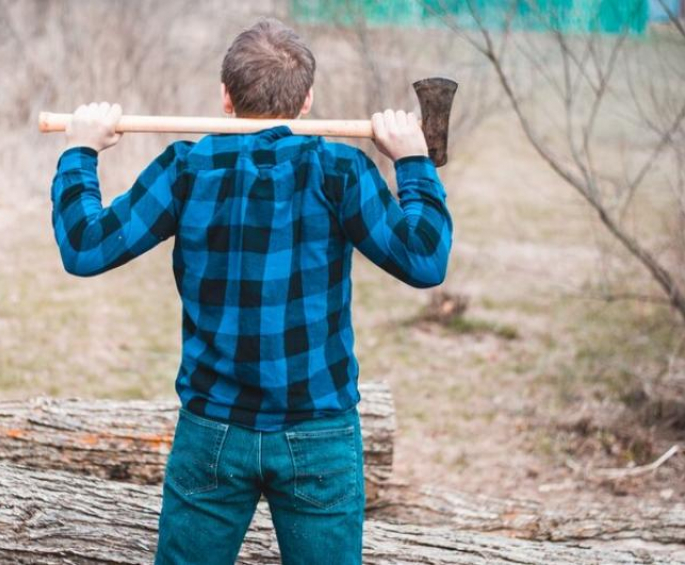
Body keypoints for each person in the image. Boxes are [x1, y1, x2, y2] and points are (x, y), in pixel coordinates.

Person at [49, 17, 453, 565]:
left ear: (225, 97)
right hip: (318, 431)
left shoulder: (187, 169)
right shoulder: (341, 171)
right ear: (306, 100)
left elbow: (84, 245)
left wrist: (80, 151)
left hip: (213, 431)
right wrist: (412, 161)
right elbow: (426, 257)